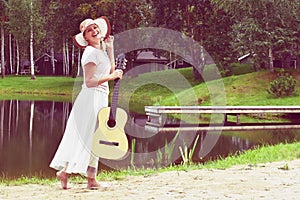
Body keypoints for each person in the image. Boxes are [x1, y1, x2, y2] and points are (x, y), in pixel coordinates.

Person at [49, 16, 123, 190]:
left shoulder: (100, 51)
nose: (95, 31)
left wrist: (111, 50)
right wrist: (111, 77)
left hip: (101, 97)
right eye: (90, 30)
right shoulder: (89, 53)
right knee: (87, 136)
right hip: (90, 98)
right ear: (86, 37)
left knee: (95, 137)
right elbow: (89, 81)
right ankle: (73, 174)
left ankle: (82, 177)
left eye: (96, 28)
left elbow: (110, 71)